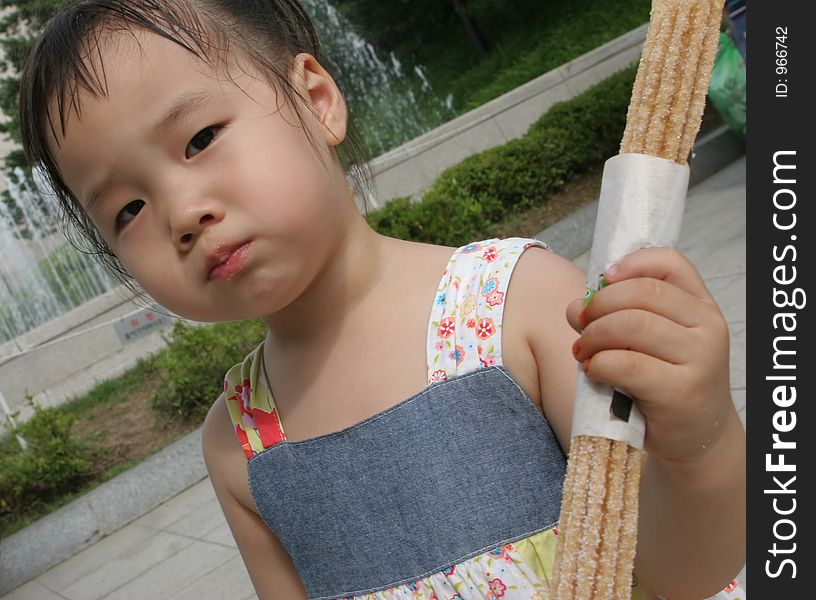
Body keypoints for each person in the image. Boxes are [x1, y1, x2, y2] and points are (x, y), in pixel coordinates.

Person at [18, 1, 746, 598]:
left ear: (317, 99)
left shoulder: (518, 306)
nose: (181, 213)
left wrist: (700, 442)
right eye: (127, 211)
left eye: (201, 137)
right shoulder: (242, 445)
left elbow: (684, 575)